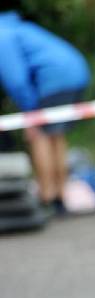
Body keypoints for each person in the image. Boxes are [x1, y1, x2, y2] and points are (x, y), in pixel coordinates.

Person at [0, 10, 90, 213]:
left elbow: (17, 81)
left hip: (54, 78)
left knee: (39, 134)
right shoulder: (14, 27)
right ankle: (60, 195)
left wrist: (31, 113)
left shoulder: (1, 36)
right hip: (76, 71)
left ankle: (47, 197)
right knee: (56, 135)